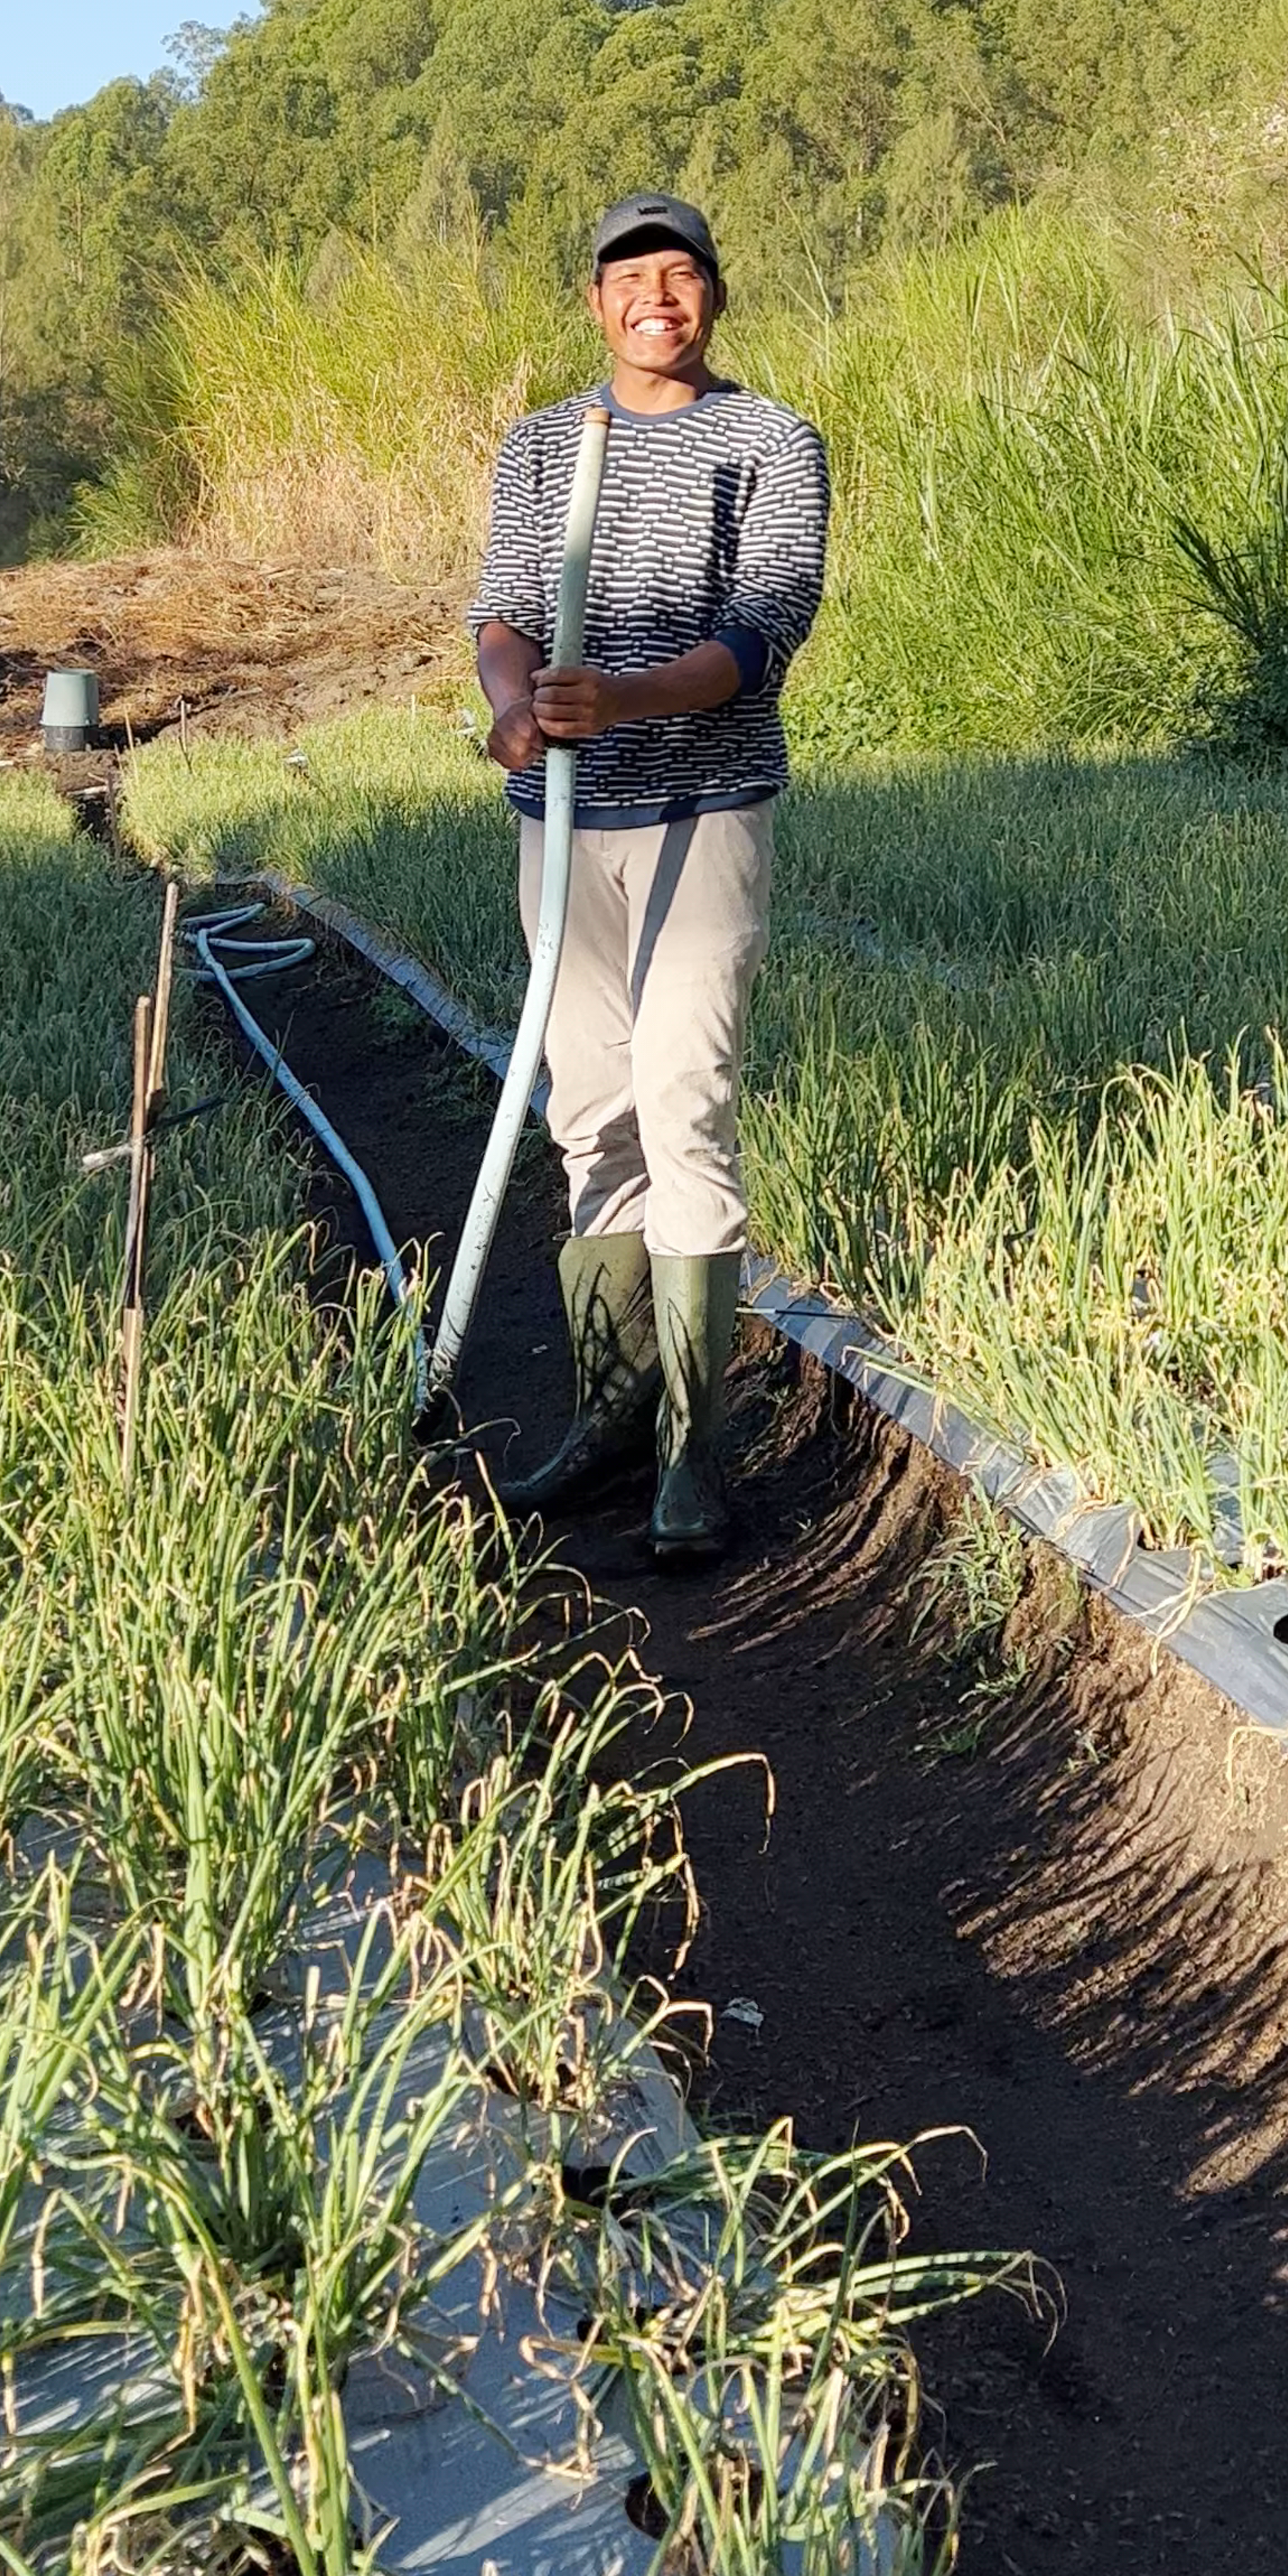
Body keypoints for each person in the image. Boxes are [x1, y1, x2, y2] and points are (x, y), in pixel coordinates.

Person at [468, 194, 827, 1558]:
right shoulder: (544, 442)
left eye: (681, 275)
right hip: (561, 824)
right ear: (596, 300)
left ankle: (692, 1451)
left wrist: (617, 698)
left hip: (703, 809)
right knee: (594, 1117)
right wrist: (516, 704)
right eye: (633, 278)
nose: (656, 297)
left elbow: (762, 629)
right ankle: (607, 1418)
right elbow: (503, 610)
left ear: (714, 297)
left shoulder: (768, 441)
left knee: (685, 1107)